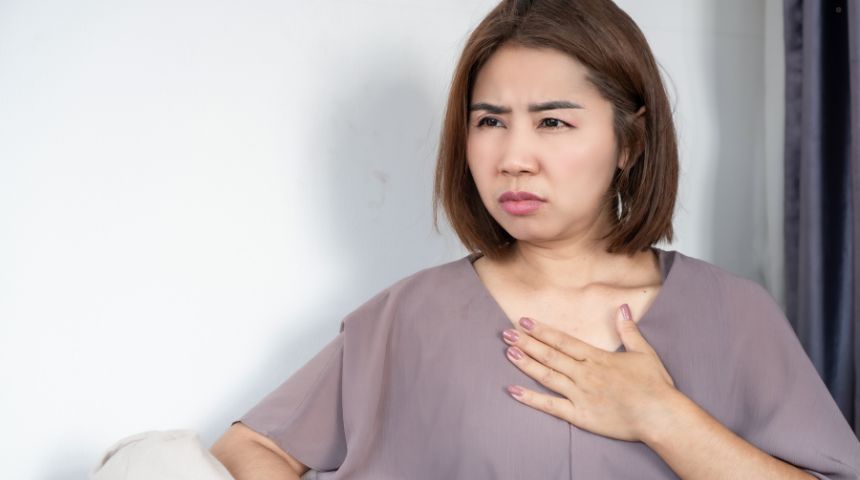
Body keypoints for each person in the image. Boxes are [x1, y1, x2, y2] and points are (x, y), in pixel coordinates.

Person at [211, 0, 860, 478]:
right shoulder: (406, 317)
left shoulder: (735, 314)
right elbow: (249, 448)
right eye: (490, 121)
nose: (514, 156)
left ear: (629, 141)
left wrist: (662, 417)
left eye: (552, 121)